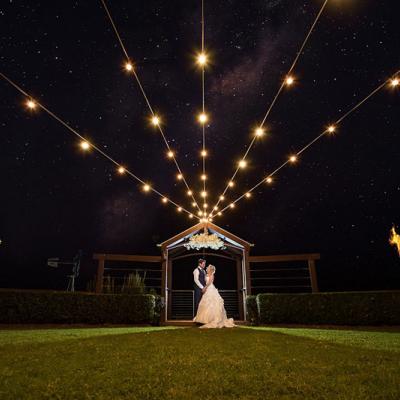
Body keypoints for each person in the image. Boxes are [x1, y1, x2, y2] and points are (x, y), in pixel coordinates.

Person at [193, 264, 235, 328]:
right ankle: (204, 320)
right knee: (205, 303)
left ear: (210, 270)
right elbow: (203, 281)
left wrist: (205, 288)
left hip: (210, 288)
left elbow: (209, 283)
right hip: (207, 289)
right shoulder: (206, 275)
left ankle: (212, 319)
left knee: (213, 303)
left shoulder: (212, 275)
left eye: (208, 268)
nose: (206, 269)